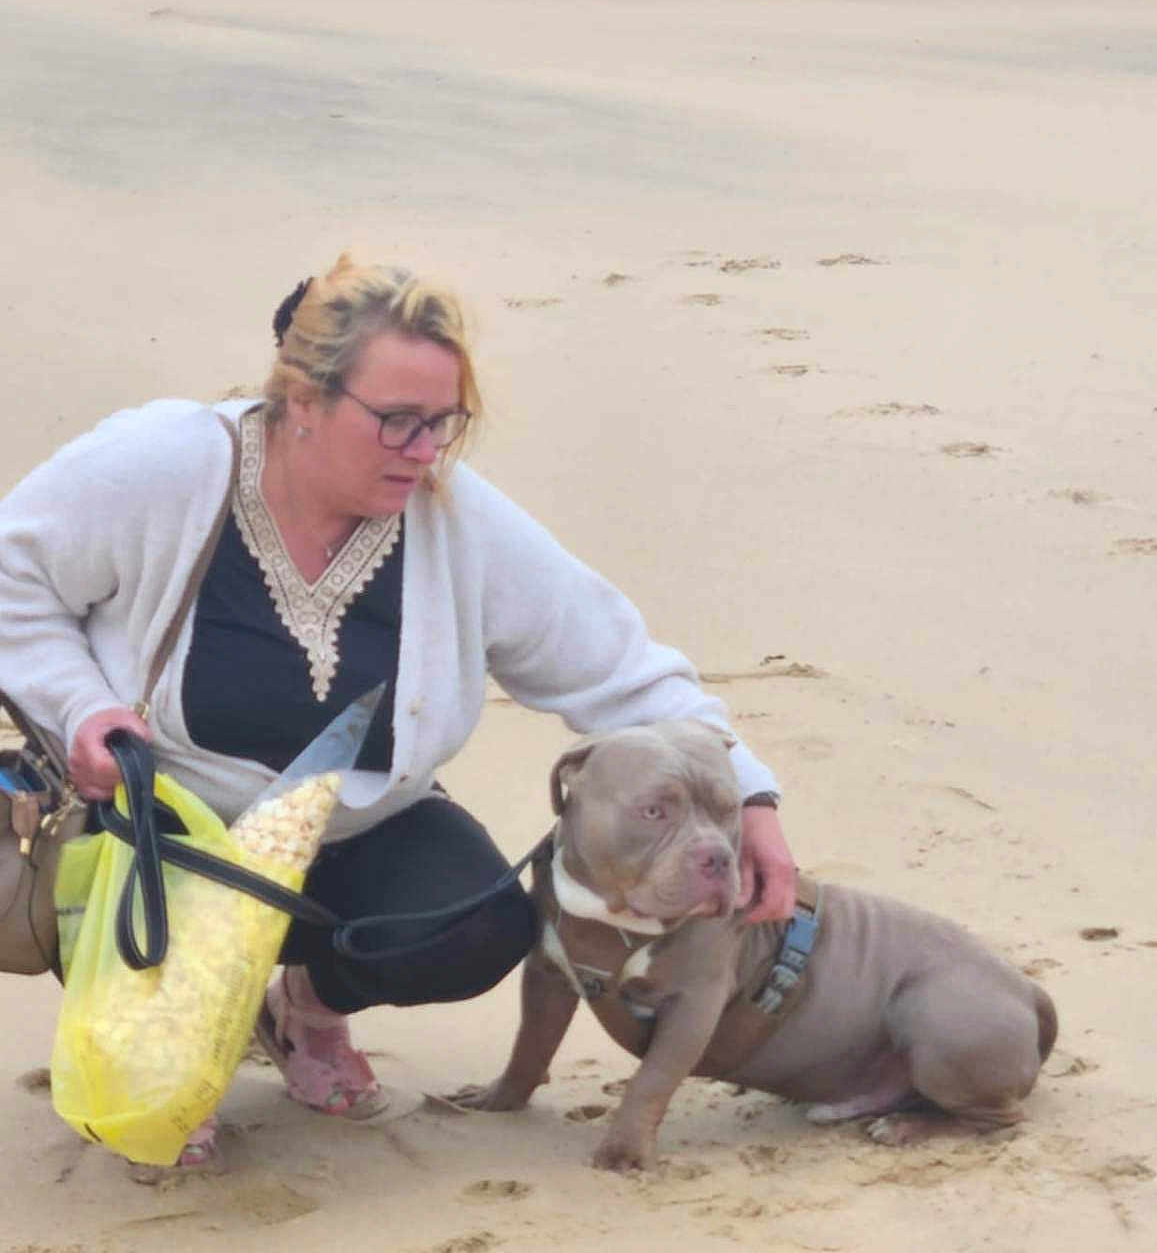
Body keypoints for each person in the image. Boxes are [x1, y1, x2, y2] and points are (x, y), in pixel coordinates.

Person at [0, 253, 796, 1169]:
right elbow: (15, 579)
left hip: (346, 841)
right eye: (397, 423)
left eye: (444, 424)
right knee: (135, 1035)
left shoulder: (460, 523)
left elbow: (624, 673)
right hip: (156, 838)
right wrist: (84, 707)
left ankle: (307, 1009)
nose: (425, 452)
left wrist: (756, 799)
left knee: (477, 926)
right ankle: (174, 1018)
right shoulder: (168, 464)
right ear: (303, 399)